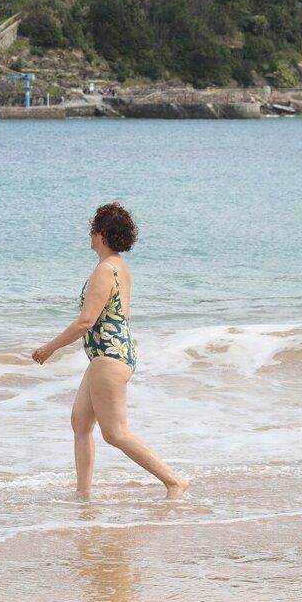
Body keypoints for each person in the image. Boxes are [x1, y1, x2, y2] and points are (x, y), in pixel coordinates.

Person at [31, 203, 190, 500]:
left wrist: (49, 348)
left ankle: (174, 481)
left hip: (109, 356)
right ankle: (83, 494)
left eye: (93, 230)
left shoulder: (105, 270)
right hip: (110, 355)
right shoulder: (118, 265)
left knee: (115, 432)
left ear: (103, 234)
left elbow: (86, 321)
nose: (89, 235)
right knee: (80, 423)